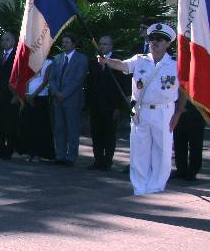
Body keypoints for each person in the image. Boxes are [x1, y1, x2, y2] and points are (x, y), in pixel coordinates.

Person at [99, 22, 187, 195]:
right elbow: (123, 65)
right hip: (141, 110)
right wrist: (107, 61)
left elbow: (184, 90)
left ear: (168, 43)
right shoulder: (140, 60)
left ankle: (156, 187)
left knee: (162, 151)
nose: (155, 42)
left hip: (164, 110)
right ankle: (139, 188)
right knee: (139, 151)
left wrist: (178, 112)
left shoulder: (175, 65)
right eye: (152, 38)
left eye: (160, 39)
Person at [86, 35, 130, 170]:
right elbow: (90, 85)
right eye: (100, 43)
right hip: (96, 104)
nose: (101, 46)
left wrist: (118, 107)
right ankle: (98, 160)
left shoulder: (118, 62)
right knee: (96, 133)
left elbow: (123, 86)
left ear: (111, 46)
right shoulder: (94, 62)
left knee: (109, 134)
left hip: (111, 106)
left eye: (105, 44)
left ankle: (107, 161)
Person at [48, 33, 88, 166]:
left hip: (72, 100)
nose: (64, 44)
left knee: (72, 128)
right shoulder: (57, 58)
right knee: (59, 128)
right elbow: (51, 78)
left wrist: (63, 94)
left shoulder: (81, 59)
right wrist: (55, 92)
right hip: (57, 100)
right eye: (63, 42)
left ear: (73, 43)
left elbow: (78, 80)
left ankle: (71, 157)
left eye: (67, 42)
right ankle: (60, 155)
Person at [17, 56, 55, 162]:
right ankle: (30, 152)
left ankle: (39, 153)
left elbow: (44, 82)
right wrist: (27, 94)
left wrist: (34, 94)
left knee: (39, 126)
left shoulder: (49, 63)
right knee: (28, 124)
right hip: (28, 96)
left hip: (41, 97)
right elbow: (27, 80)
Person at [0, 31, 18, 158]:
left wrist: (17, 95)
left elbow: (20, 78)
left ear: (13, 41)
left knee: (10, 123)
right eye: (3, 40)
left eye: (7, 39)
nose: (4, 42)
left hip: (11, 97)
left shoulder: (18, 56)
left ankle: (9, 150)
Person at [171, 100, 205, 180]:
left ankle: (193, 170)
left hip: (196, 108)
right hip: (178, 110)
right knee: (179, 141)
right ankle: (181, 169)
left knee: (195, 142)